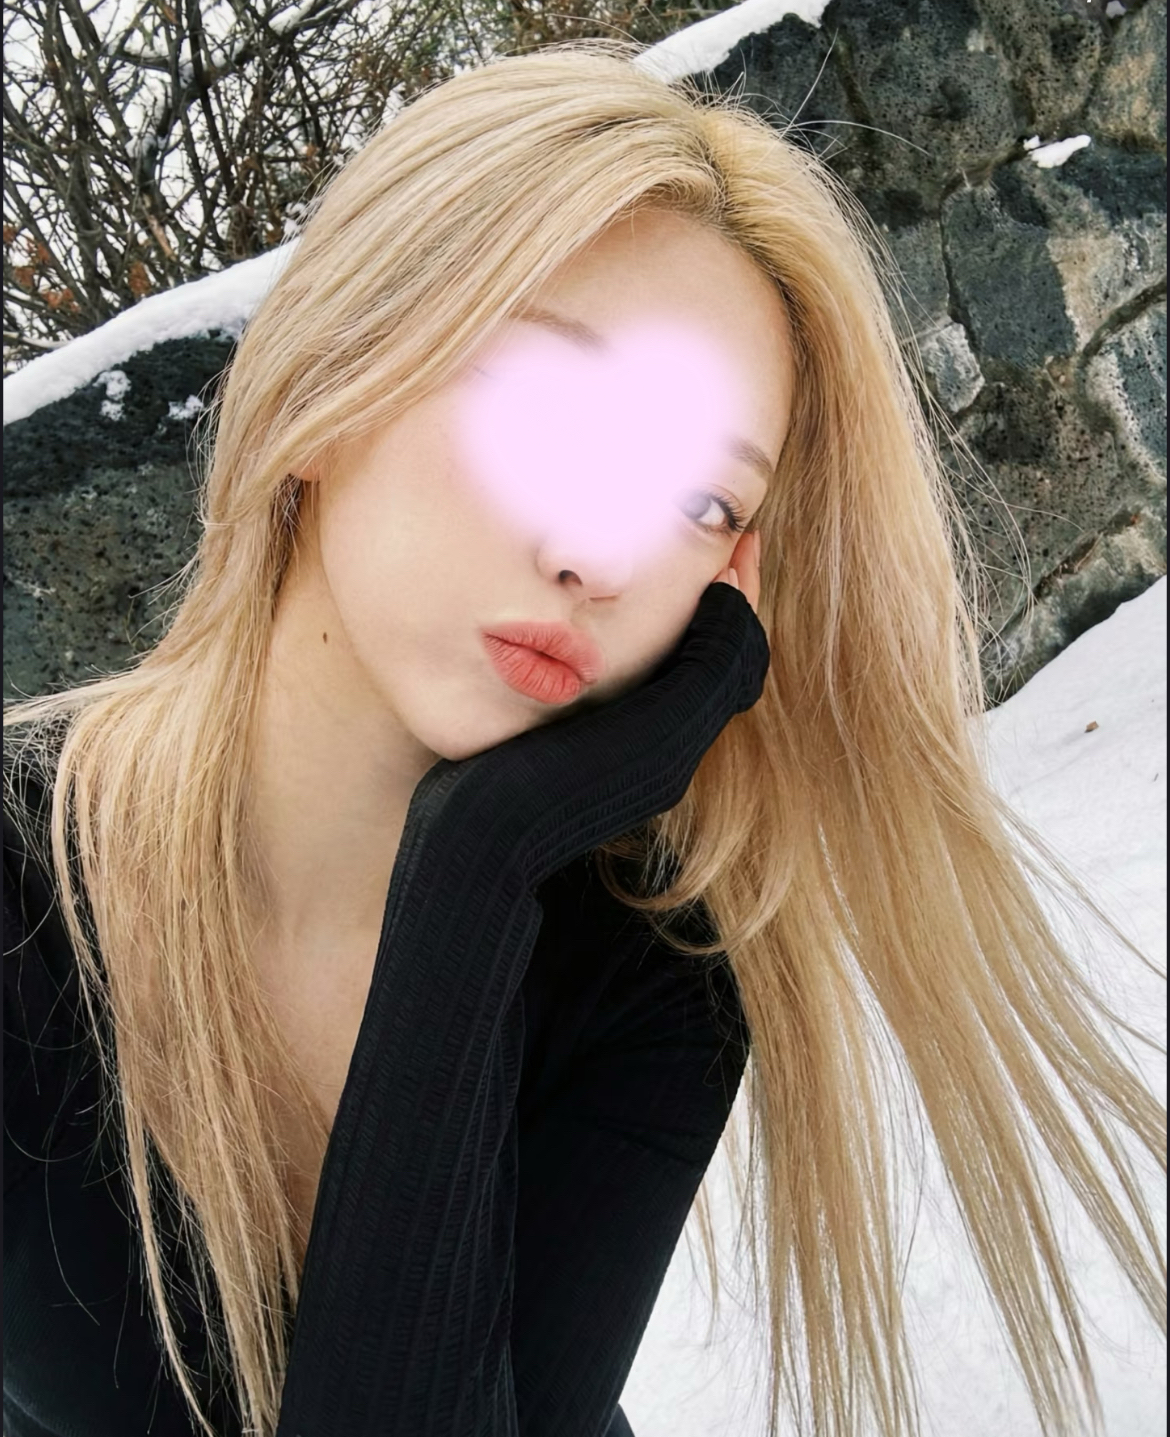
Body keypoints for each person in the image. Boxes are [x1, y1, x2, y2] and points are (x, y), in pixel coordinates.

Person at [3, 36, 1164, 1437]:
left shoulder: (650, 966)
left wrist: (475, 873)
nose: (601, 557)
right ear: (328, 376)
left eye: (699, 503)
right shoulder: (23, 887)